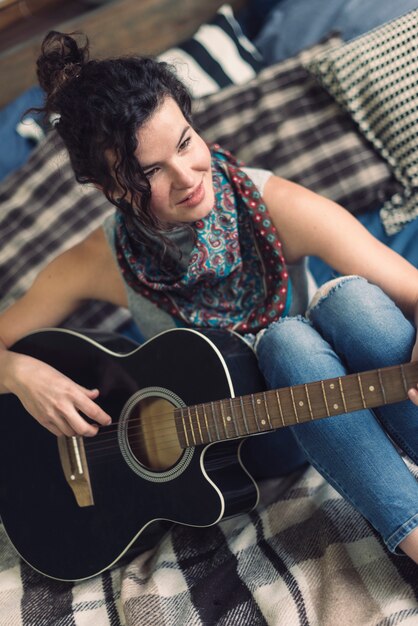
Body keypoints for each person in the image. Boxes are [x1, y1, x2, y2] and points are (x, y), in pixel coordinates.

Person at [1, 30, 418, 564]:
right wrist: (18, 373)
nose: (187, 177)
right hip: (237, 448)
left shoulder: (273, 203)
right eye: (150, 171)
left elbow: (408, 288)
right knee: (285, 341)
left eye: (184, 142)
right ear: (109, 188)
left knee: (346, 306)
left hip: (323, 402)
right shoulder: (100, 259)